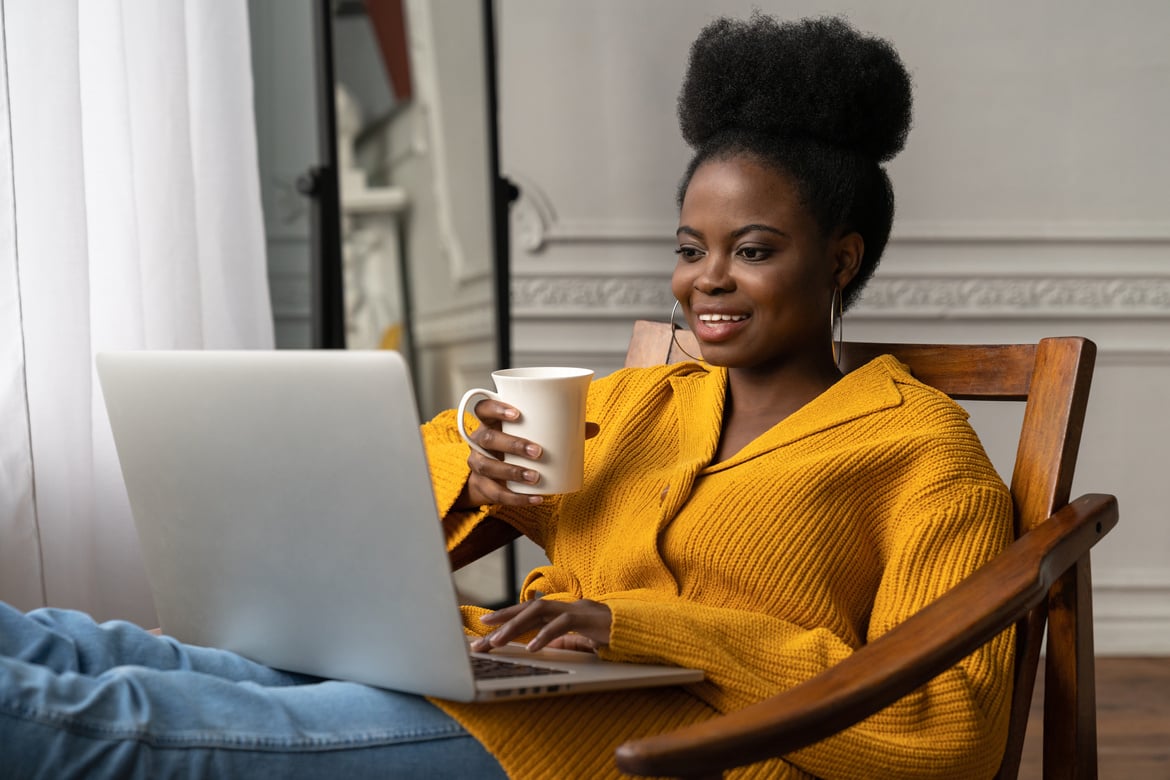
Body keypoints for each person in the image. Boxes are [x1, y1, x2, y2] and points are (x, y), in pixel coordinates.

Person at [0, 14, 1015, 779]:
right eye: (689, 249)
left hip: (643, 749)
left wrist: (637, 628)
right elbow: (408, 483)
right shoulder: (640, 401)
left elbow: (948, 731)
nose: (706, 280)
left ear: (840, 258)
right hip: (495, 677)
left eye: (752, 251)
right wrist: (481, 480)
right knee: (74, 645)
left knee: (122, 725)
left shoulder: (922, 453)